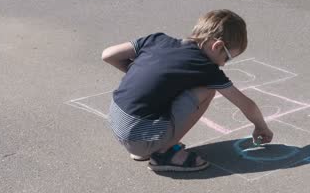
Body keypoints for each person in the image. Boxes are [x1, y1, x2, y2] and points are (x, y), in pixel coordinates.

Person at [101, 9, 274, 172]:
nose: (222, 64)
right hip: (138, 136)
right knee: (207, 91)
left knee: (173, 91)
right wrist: (261, 127)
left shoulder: (156, 39)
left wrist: (137, 70)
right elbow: (246, 104)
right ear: (217, 46)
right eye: (226, 58)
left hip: (117, 122)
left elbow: (108, 55)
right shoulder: (205, 68)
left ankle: (145, 146)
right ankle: (164, 153)